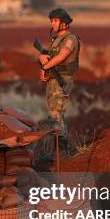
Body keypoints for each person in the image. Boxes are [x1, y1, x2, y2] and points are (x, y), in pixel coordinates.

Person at [38, 8, 81, 143]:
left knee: (57, 115)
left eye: (56, 20)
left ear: (64, 22)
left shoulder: (70, 39)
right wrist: (42, 61)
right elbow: (49, 57)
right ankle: (55, 146)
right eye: (52, 21)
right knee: (52, 114)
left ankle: (62, 148)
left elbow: (62, 56)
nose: (53, 24)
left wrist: (45, 66)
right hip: (52, 79)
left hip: (62, 79)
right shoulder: (55, 40)